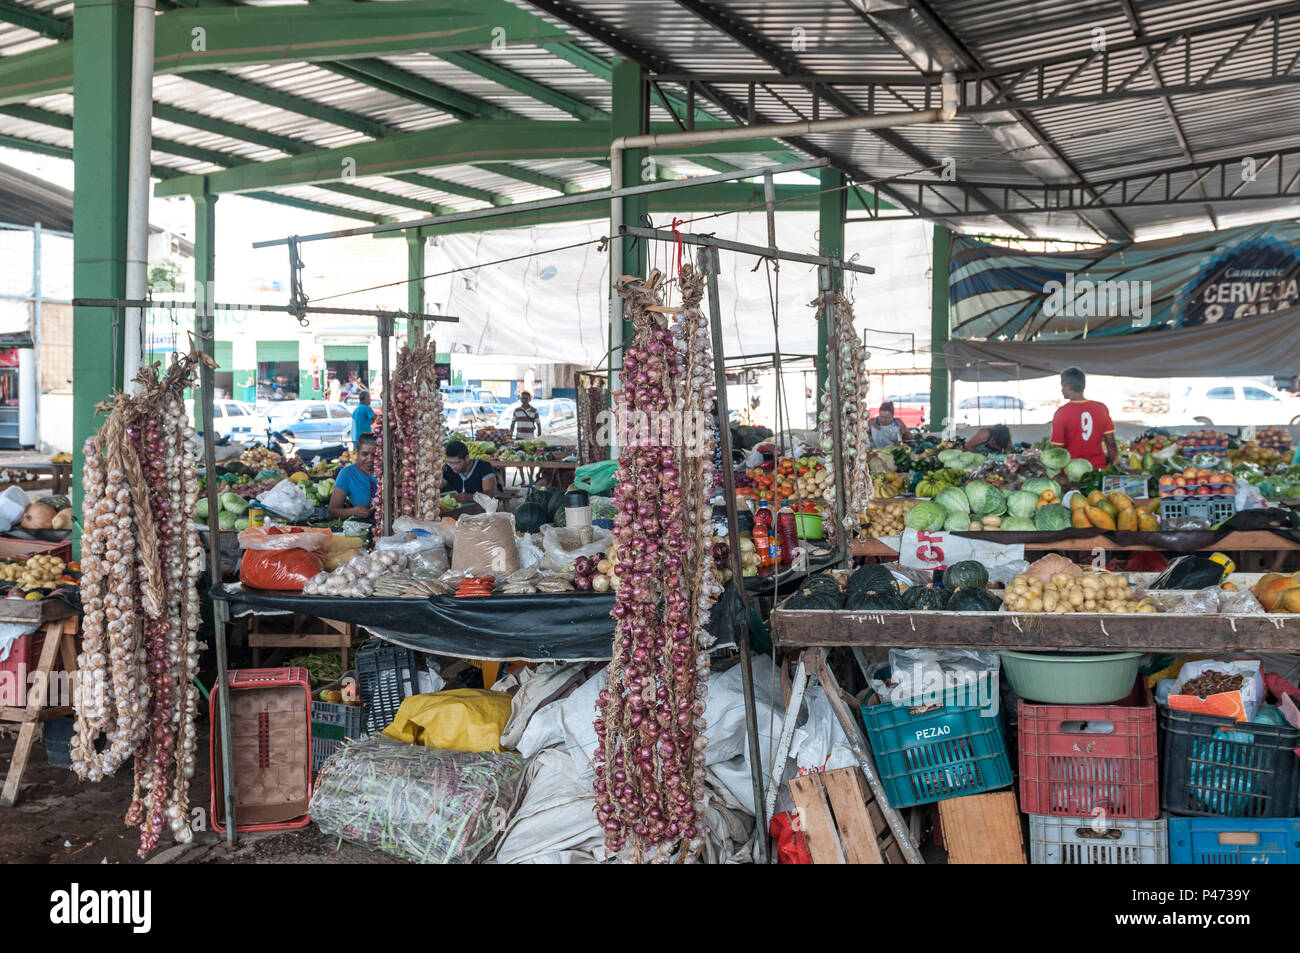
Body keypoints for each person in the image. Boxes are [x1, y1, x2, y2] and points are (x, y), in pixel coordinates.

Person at [1051, 366, 1118, 469]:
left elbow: (1057, 449)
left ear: (1068, 387)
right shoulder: (1101, 408)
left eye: (1062, 386)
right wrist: (1114, 466)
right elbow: (1111, 442)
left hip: (1071, 472)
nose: (1062, 390)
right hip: (1098, 470)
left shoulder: (1061, 413)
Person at [328, 433, 377, 519]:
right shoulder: (347, 473)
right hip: (365, 527)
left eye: (374, 454)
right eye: (365, 454)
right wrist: (354, 511)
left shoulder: (389, 471)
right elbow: (332, 511)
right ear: (357, 454)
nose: (370, 459)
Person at [441, 439, 499, 503]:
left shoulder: (484, 467)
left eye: (457, 463)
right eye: (449, 463)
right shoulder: (447, 468)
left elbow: (490, 494)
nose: (452, 467)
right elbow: (438, 486)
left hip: (481, 509)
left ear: (467, 458)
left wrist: (469, 497)